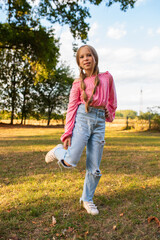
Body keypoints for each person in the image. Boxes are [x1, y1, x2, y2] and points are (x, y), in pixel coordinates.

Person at [45, 45, 117, 215]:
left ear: (95, 57)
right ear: (79, 62)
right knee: (71, 160)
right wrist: (67, 133)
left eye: (89, 55)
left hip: (99, 122)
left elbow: (112, 99)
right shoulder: (78, 83)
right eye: (82, 57)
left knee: (95, 167)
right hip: (82, 119)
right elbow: (71, 108)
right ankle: (57, 151)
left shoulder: (107, 77)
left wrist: (108, 110)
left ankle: (87, 199)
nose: (86, 59)